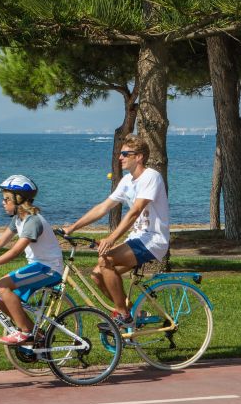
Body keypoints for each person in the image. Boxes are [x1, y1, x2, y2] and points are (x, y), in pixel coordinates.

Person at [62, 134, 169, 326]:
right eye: (121, 154)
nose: (120, 157)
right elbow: (103, 207)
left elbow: (135, 211)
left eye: (125, 154)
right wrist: (72, 227)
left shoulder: (151, 177)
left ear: (139, 157)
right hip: (137, 239)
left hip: (153, 240)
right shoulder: (127, 181)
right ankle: (133, 313)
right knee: (97, 275)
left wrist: (111, 238)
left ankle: (123, 315)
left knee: (105, 260)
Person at [0, 174, 64, 345]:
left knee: (3, 285)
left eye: (6, 199)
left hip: (49, 269)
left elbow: (15, 251)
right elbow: (1, 242)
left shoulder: (33, 221)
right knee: (4, 303)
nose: (3, 203)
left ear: (18, 200)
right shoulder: (19, 219)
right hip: (38, 267)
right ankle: (38, 338)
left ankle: (25, 332)